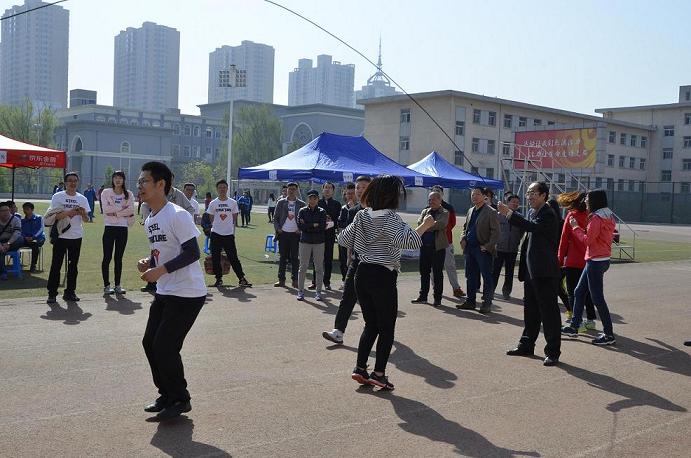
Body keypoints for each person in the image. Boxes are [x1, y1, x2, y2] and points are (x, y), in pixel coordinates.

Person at [338, 175, 436, 390]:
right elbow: (408, 241)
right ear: (391, 197)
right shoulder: (390, 218)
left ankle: (360, 368)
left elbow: (343, 239)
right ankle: (379, 374)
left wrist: (365, 240)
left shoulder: (362, 215)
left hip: (361, 273)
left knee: (370, 324)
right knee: (386, 327)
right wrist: (425, 226)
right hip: (382, 275)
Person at [137, 161, 207, 421]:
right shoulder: (151, 218)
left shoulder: (177, 214)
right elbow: (163, 252)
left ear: (161, 185)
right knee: (149, 343)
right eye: (140, 181)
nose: (140, 186)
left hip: (188, 293)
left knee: (165, 346)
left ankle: (181, 398)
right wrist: (150, 262)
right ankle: (166, 394)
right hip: (166, 290)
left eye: (145, 181)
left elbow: (192, 252)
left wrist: (160, 270)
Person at [498, 181, 561, 366]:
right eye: (528, 193)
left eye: (533, 193)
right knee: (531, 311)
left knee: (549, 313)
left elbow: (531, 227)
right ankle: (526, 344)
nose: (529, 196)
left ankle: (553, 351)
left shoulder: (548, 213)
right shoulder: (534, 212)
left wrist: (508, 213)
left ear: (544, 195)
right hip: (532, 271)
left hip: (545, 272)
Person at [561, 189, 617, 346]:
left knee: (597, 298)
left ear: (594, 201)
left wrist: (575, 227)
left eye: (587, 199)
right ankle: (574, 326)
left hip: (595, 261)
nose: (585, 201)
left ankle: (608, 334)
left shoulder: (596, 218)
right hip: (600, 259)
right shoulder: (608, 215)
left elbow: (586, 241)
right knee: (579, 291)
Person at [323, 175, 371, 345]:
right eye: (358, 188)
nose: (359, 191)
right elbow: (350, 237)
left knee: (370, 300)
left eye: (363, 187)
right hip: (357, 260)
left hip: (374, 264)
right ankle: (338, 331)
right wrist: (350, 256)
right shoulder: (352, 211)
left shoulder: (379, 211)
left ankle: (374, 328)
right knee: (347, 296)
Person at [139, 174, 195, 293]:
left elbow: (193, 253)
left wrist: (184, 220)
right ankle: (152, 283)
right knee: (156, 253)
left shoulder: (178, 205)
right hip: (164, 288)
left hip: (184, 288)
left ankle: (155, 280)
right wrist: (147, 261)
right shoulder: (150, 220)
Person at [46, 172, 90, 304]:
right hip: (61, 235)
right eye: (70, 180)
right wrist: (70, 212)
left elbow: (86, 220)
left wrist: (82, 214)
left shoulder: (82, 198)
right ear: (65, 183)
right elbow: (55, 217)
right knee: (56, 265)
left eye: (75, 181)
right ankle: (52, 293)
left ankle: (70, 292)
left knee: (73, 266)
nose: (72, 183)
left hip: (76, 236)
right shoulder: (58, 196)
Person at [557, 191, 597, 330]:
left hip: (574, 261)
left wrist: (559, 260)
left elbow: (563, 241)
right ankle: (591, 320)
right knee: (587, 292)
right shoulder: (592, 217)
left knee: (573, 292)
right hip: (589, 260)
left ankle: (577, 321)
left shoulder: (571, 216)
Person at [458, 187, 500, 313]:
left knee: (486, 277)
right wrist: (463, 238)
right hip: (470, 248)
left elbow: (496, 233)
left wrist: (487, 246)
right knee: (470, 276)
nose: (474, 196)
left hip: (483, 250)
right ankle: (470, 301)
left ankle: (487, 303)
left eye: (477, 194)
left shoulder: (491, 212)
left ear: (484, 196)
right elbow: (465, 227)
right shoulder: (470, 210)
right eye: (472, 194)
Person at [205, 179, 252, 288]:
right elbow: (211, 218)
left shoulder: (232, 202)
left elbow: (234, 218)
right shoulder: (213, 203)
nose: (222, 189)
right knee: (215, 258)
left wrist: (227, 228)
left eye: (224, 187)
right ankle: (218, 279)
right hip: (216, 234)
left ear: (227, 189)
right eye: (220, 187)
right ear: (217, 189)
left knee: (233, 257)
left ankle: (242, 278)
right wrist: (218, 226)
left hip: (228, 235)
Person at [411, 191, 449, 307]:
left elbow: (441, 224)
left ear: (439, 200)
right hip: (424, 247)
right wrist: (427, 225)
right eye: (429, 200)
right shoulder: (425, 211)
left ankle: (437, 298)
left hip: (437, 248)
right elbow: (419, 223)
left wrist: (426, 225)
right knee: (424, 272)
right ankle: (423, 296)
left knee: (437, 273)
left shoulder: (445, 212)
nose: (430, 202)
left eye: (433, 199)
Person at [101, 170, 135, 295]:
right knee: (107, 257)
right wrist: (123, 209)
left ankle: (117, 285)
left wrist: (115, 212)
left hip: (122, 228)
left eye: (120, 177)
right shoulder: (106, 192)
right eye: (115, 177)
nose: (118, 180)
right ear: (113, 179)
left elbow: (131, 210)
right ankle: (106, 285)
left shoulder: (129, 194)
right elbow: (105, 209)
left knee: (118, 258)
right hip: (109, 227)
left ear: (124, 180)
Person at [430, 185, 464, 298]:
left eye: (438, 191)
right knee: (433, 268)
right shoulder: (428, 208)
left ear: (442, 194)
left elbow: (452, 223)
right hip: (432, 242)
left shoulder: (449, 208)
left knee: (450, 265)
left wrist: (441, 228)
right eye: (434, 191)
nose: (436, 193)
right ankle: (436, 288)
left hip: (446, 241)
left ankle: (456, 288)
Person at [309, 182, 340, 291]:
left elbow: (338, 221)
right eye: (325, 188)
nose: (327, 190)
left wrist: (332, 221)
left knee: (328, 259)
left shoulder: (337, 204)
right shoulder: (317, 203)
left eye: (330, 188)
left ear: (333, 191)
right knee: (316, 260)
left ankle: (326, 282)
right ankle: (314, 282)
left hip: (330, 236)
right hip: (318, 235)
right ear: (322, 190)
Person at [492, 194, 525, 300]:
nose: (515, 204)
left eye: (517, 202)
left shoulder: (520, 217)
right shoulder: (498, 215)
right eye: (513, 202)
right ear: (507, 202)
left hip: (512, 249)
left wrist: (516, 242)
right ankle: (490, 291)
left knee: (509, 272)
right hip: (499, 248)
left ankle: (506, 292)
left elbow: (521, 232)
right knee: (495, 271)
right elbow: (493, 230)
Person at [273, 182, 305, 288]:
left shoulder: (301, 204)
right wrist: (278, 229)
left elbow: (305, 220)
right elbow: (275, 218)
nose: (291, 191)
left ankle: (295, 280)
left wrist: (300, 229)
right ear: (287, 190)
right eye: (289, 189)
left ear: (296, 190)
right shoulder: (281, 202)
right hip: (283, 234)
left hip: (295, 235)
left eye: (293, 189)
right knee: (283, 257)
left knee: (295, 258)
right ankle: (281, 279)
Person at [297, 190, 327, 301]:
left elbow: (322, 227)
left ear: (318, 199)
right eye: (310, 198)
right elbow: (300, 226)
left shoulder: (322, 211)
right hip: (305, 241)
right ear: (308, 199)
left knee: (318, 267)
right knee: (303, 267)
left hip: (319, 242)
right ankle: (300, 291)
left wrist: (307, 225)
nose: (312, 200)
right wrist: (313, 225)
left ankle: (318, 292)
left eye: (314, 198)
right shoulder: (302, 211)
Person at [337, 183, 356, 283]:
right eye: (348, 194)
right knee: (343, 260)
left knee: (354, 261)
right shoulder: (344, 208)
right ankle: (345, 280)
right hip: (344, 239)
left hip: (356, 241)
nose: (350, 196)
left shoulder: (360, 208)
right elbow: (340, 223)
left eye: (352, 193)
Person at [0, 201, 23, 280]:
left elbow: (17, 233)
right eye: (3, 211)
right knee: (1, 250)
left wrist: (8, 243)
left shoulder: (15, 219)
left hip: (13, 241)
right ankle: (3, 273)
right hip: (1, 241)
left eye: (7, 210)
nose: (6, 212)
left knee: (20, 239)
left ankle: (3, 272)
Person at [20, 202, 45, 273]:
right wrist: (25, 237)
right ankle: (17, 262)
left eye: (27, 209)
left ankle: (33, 265)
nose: (25, 211)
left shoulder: (39, 218)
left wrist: (33, 237)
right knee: (17, 242)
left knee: (35, 245)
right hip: (26, 239)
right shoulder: (22, 220)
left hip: (38, 238)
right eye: (24, 209)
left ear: (32, 209)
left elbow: (41, 229)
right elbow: (21, 231)